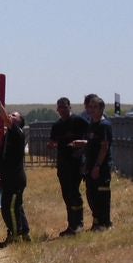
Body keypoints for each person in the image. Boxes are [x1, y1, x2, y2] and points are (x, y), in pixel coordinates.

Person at [47, 97, 89, 235]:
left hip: (76, 163)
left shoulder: (79, 121)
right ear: (57, 109)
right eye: (60, 108)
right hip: (63, 163)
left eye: (65, 107)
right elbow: (52, 141)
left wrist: (80, 146)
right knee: (66, 194)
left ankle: (78, 224)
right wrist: (52, 145)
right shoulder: (57, 125)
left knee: (74, 192)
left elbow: (91, 139)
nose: (62, 110)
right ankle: (71, 224)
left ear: (69, 107)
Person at [78, 94, 114, 231]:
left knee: (102, 195)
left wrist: (97, 166)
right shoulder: (92, 124)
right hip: (90, 166)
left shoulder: (104, 125)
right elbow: (91, 144)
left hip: (101, 167)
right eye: (90, 107)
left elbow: (104, 147)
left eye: (95, 107)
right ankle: (97, 222)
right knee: (91, 195)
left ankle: (105, 223)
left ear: (101, 108)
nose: (91, 110)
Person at [0, 108, 30, 247]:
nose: (10, 116)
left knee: (9, 208)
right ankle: (24, 233)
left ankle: (15, 237)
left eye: (14, 116)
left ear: (19, 122)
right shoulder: (10, 134)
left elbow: (5, 118)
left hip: (15, 180)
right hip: (9, 179)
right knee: (16, 207)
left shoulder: (17, 132)